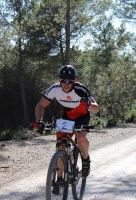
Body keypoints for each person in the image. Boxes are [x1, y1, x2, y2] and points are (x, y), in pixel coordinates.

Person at [35, 65, 99, 194]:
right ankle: (59, 179)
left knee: (80, 137)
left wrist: (88, 103)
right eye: (63, 81)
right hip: (68, 116)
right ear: (60, 80)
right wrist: (39, 121)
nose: (66, 84)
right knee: (61, 146)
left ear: (74, 81)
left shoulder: (81, 89)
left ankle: (85, 160)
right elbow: (41, 105)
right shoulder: (55, 89)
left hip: (82, 116)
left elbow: (96, 109)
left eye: (69, 81)